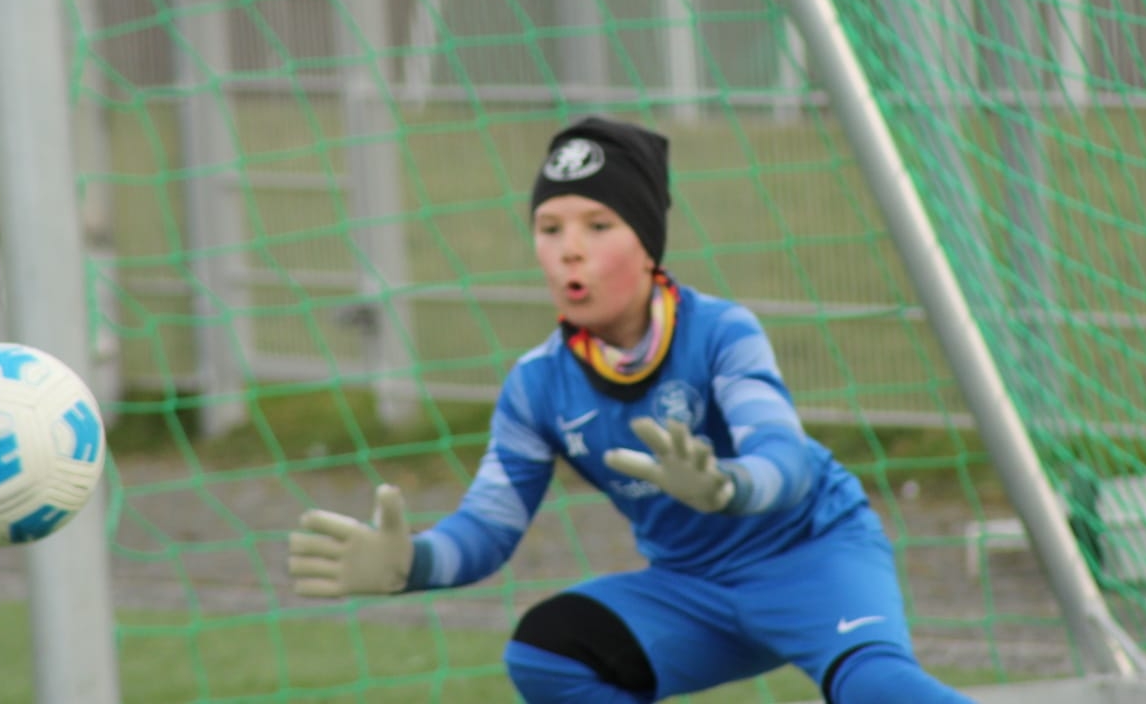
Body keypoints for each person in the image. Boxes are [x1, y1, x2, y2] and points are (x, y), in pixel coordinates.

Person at [287, 115, 976, 704]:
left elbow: (787, 460)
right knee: (548, 655)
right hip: (692, 590)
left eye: (598, 225)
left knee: (877, 688)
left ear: (647, 246)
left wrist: (727, 486)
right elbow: (488, 529)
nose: (570, 249)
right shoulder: (536, 385)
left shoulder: (721, 332)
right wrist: (412, 561)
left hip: (811, 556)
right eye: (550, 228)